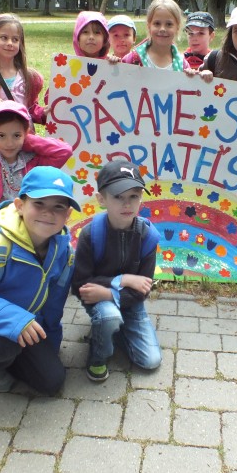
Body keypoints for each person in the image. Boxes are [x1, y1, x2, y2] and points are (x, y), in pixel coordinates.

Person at [0, 166, 79, 395]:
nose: (48, 213)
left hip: (28, 323)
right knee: (4, 346)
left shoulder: (65, 252)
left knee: (51, 382)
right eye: (39, 203)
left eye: (58, 207)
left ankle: (14, 354)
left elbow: (54, 304)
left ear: (68, 215)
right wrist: (16, 320)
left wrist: (50, 347)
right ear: (20, 206)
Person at [71, 159, 162, 382]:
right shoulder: (91, 235)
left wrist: (111, 293)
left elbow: (142, 290)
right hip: (99, 302)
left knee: (151, 361)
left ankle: (114, 330)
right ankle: (98, 355)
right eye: (118, 197)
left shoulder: (148, 236)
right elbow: (80, 285)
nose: (127, 204)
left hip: (130, 303)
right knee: (109, 315)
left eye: (134, 196)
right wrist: (123, 279)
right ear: (101, 199)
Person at [122, 0, 191, 71]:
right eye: (157, 23)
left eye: (169, 24)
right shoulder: (132, 60)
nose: (162, 29)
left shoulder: (183, 66)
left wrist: (192, 76)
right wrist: (114, 64)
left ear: (177, 28)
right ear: (149, 26)